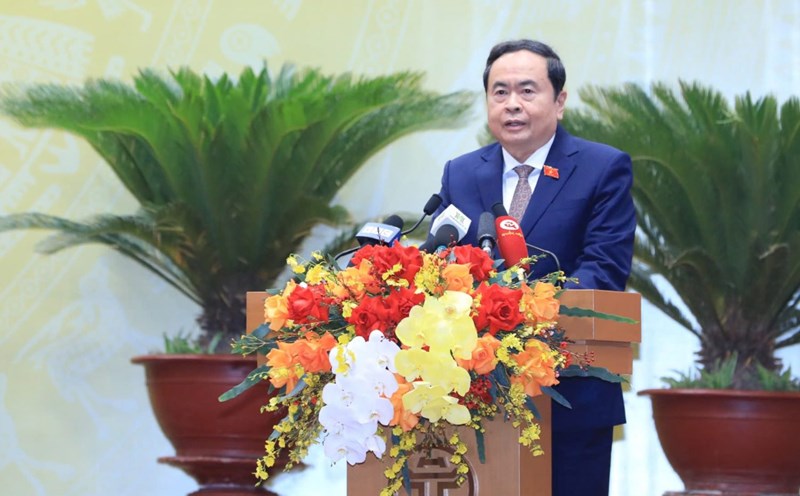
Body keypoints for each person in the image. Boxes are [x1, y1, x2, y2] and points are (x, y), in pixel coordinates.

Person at [431, 39, 636, 495]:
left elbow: (604, 268)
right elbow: (443, 261)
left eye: (528, 90)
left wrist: (520, 314)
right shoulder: (461, 173)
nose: (513, 104)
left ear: (559, 101)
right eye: (499, 92)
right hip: (473, 392)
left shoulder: (602, 167)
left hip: (570, 393)